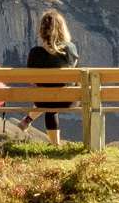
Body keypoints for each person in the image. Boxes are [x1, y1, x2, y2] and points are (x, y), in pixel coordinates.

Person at [24, 10, 80, 142]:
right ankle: (28, 120)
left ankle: (55, 144)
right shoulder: (71, 48)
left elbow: (31, 79)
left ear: (42, 30)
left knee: (48, 98)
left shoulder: (35, 52)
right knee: (62, 89)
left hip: (44, 99)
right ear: (62, 29)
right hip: (70, 100)